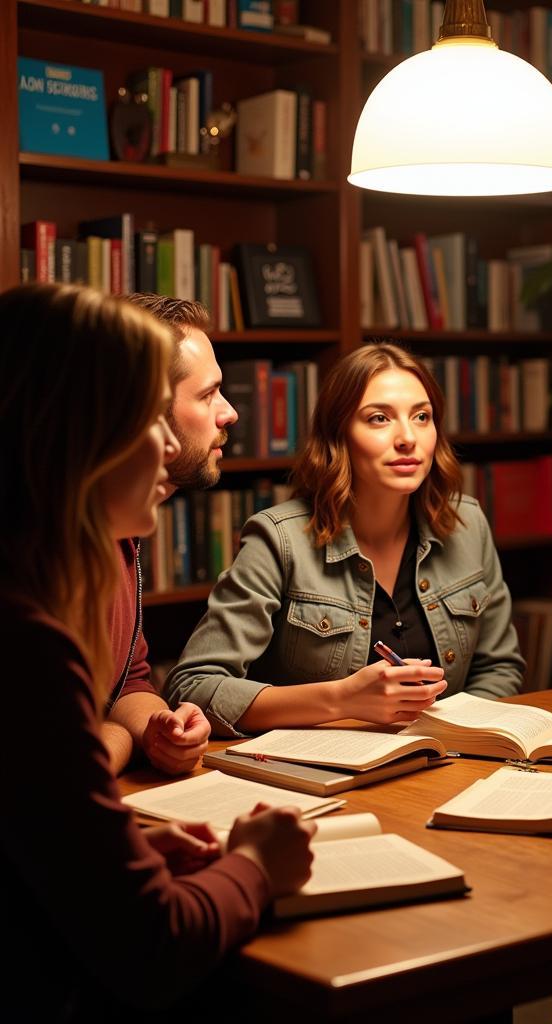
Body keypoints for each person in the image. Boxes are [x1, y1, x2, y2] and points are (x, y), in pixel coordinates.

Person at [0, 283, 314, 1016]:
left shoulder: (77, 563)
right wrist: (256, 866)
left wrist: (124, 860)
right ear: (83, 434)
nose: (172, 446)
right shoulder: (25, 644)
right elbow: (152, 946)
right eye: (149, 418)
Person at [165, 341, 525, 736]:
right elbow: (193, 688)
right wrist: (341, 700)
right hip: (318, 774)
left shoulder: (466, 523)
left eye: (422, 416)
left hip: (444, 765)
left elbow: (499, 667)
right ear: (339, 435)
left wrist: (459, 738)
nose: (408, 437)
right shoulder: (279, 540)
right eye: (378, 419)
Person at [101, 294, 239, 776]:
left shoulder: (123, 534)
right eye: (207, 394)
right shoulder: (40, 551)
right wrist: (118, 736)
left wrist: (156, 729)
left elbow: (129, 682)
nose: (229, 414)